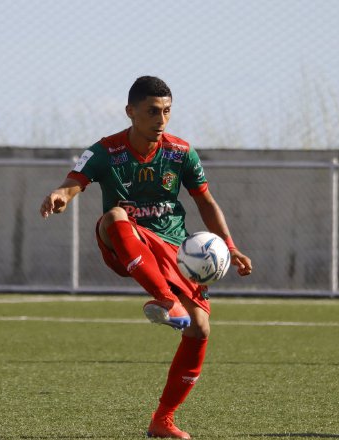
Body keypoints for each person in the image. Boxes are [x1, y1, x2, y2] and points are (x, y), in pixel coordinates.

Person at [40, 76, 252, 439]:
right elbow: (75, 179)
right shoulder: (106, 151)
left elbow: (205, 202)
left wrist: (230, 247)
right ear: (131, 112)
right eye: (153, 111)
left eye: (167, 111)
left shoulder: (181, 152)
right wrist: (62, 194)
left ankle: (163, 420)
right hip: (125, 243)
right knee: (115, 216)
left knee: (200, 329)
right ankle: (166, 299)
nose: (161, 119)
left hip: (173, 247)